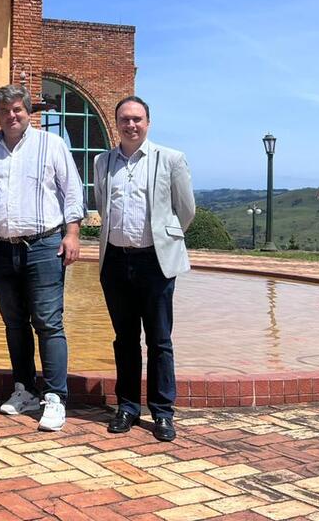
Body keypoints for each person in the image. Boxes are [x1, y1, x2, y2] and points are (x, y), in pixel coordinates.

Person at [0, 84, 84, 431]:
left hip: (43, 245)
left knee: (49, 322)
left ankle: (55, 397)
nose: (12, 115)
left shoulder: (52, 145)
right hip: (0, 247)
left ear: (28, 111)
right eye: (4, 110)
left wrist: (73, 233)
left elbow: (72, 190)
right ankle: (24, 389)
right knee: (14, 322)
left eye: (18, 109)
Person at [94, 96, 195, 442]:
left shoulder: (170, 159)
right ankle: (127, 407)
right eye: (124, 119)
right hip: (116, 261)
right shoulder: (102, 162)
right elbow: (102, 207)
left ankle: (163, 413)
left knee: (159, 340)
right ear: (116, 123)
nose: (131, 125)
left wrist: (165, 240)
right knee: (124, 340)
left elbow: (186, 210)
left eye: (137, 119)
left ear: (148, 123)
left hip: (156, 262)